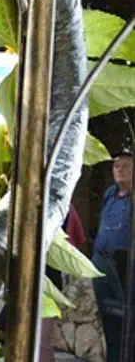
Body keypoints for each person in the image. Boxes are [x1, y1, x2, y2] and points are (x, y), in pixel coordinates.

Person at [92, 148, 133, 362]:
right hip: (102, 263)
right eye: (116, 166)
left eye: (126, 166)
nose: (120, 170)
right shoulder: (110, 194)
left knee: (126, 320)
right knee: (107, 318)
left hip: (125, 265)